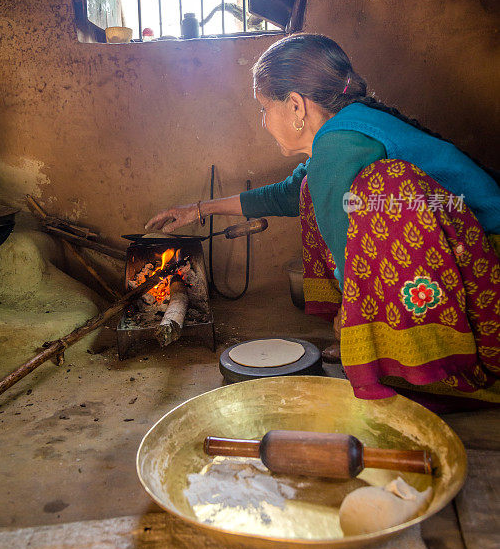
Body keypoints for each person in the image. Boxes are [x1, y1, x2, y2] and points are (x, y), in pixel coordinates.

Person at [145, 34, 500, 409]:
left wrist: (353, 317)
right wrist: (200, 209)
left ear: (296, 106)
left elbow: (346, 245)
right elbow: (287, 193)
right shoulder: (342, 133)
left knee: (382, 187)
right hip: (461, 258)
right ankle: (376, 337)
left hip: (483, 274)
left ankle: (426, 361)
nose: (263, 122)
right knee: (310, 192)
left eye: (264, 108)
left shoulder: (338, 144)